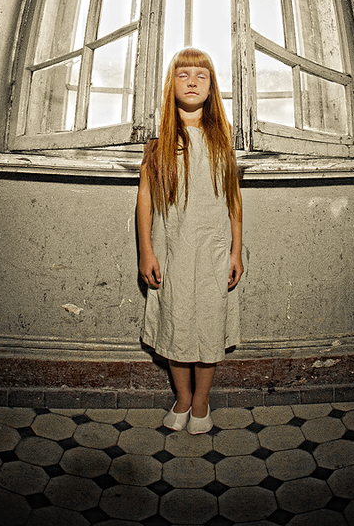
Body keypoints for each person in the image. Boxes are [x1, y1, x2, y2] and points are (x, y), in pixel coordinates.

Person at [137, 47, 243, 435]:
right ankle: (182, 398)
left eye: (201, 75)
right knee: (176, 323)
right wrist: (146, 251)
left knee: (209, 324)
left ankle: (201, 402)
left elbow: (233, 198)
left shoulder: (222, 139)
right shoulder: (159, 142)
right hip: (173, 249)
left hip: (213, 249)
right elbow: (145, 199)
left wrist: (236, 251)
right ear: (172, 84)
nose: (193, 82)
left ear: (212, 87)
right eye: (184, 75)